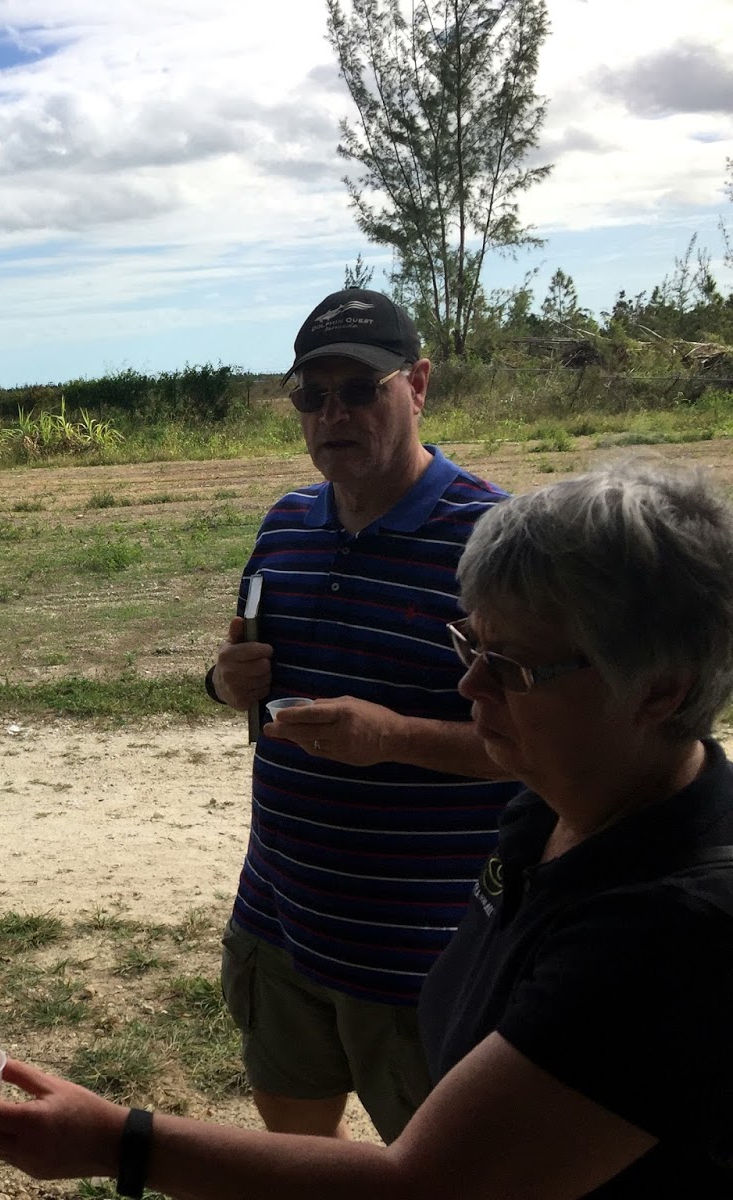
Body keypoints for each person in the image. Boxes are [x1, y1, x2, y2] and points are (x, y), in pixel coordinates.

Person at [0, 458, 733, 1197]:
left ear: (660, 689)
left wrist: (120, 1141)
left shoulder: (673, 931)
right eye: (471, 644)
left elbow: (427, 1186)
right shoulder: (552, 808)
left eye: (513, 667)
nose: (469, 683)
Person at [204, 288, 518, 1141]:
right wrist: (224, 684)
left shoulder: (493, 541)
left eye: (359, 389)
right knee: (299, 1159)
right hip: (279, 917)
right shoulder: (283, 530)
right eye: (312, 395)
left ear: (418, 384)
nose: (331, 413)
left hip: (426, 952)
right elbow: (247, 683)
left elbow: (546, 748)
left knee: (443, 1176)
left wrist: (394, 740)